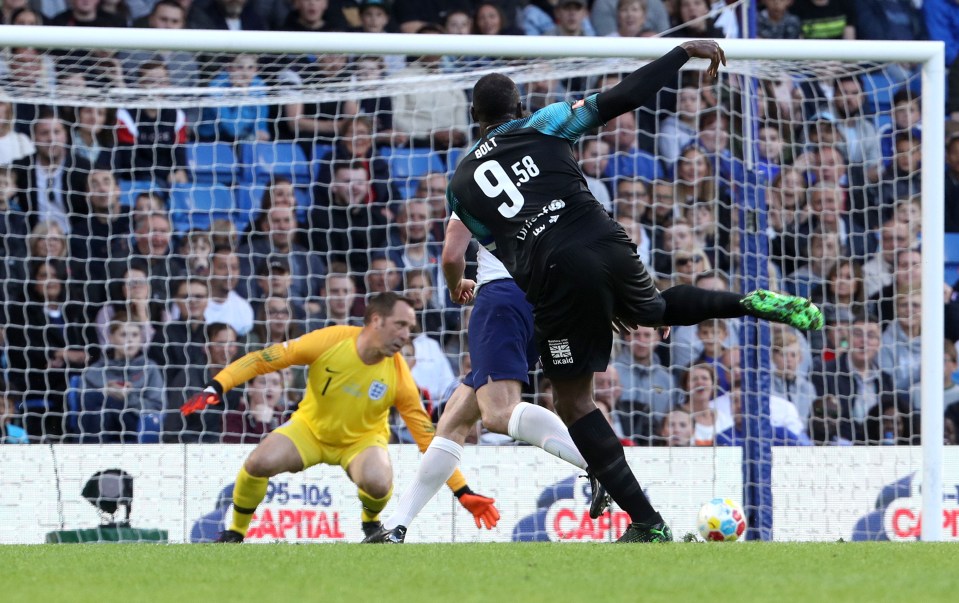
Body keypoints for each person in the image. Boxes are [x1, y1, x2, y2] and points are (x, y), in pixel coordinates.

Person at [443, 40, 823, 543]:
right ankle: (746, 301)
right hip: (605, 235)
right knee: (657, 307)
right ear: (518, 108)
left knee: (574, 403)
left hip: (554, 269)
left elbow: (507, 252)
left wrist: (572, 299)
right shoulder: (546, 120)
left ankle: (647, 521)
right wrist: (681, 53)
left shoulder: (461, 183)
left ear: (475, 118)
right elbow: (624, 97)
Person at [363, 217, 609, 544]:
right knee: (454, 420)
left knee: (497, 413)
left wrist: (455, 284)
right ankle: (397, 525)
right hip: (545, 300)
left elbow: (451, 256)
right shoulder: (545, 178)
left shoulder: (475, 180)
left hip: (501, 296)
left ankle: (597, 464)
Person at [180, 293, 499, 542]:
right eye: (401, 325)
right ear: (376, 320)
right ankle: (235, 532)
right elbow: (265, 360)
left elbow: (427, 439)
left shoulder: (400, 374)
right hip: (309, 431)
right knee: (256, 464)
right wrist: (218, 384)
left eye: (411, 328)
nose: (407, 335)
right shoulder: (330, 341)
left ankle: (370, 522)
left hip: (361, 443)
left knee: (378, 482)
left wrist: (463, 490)